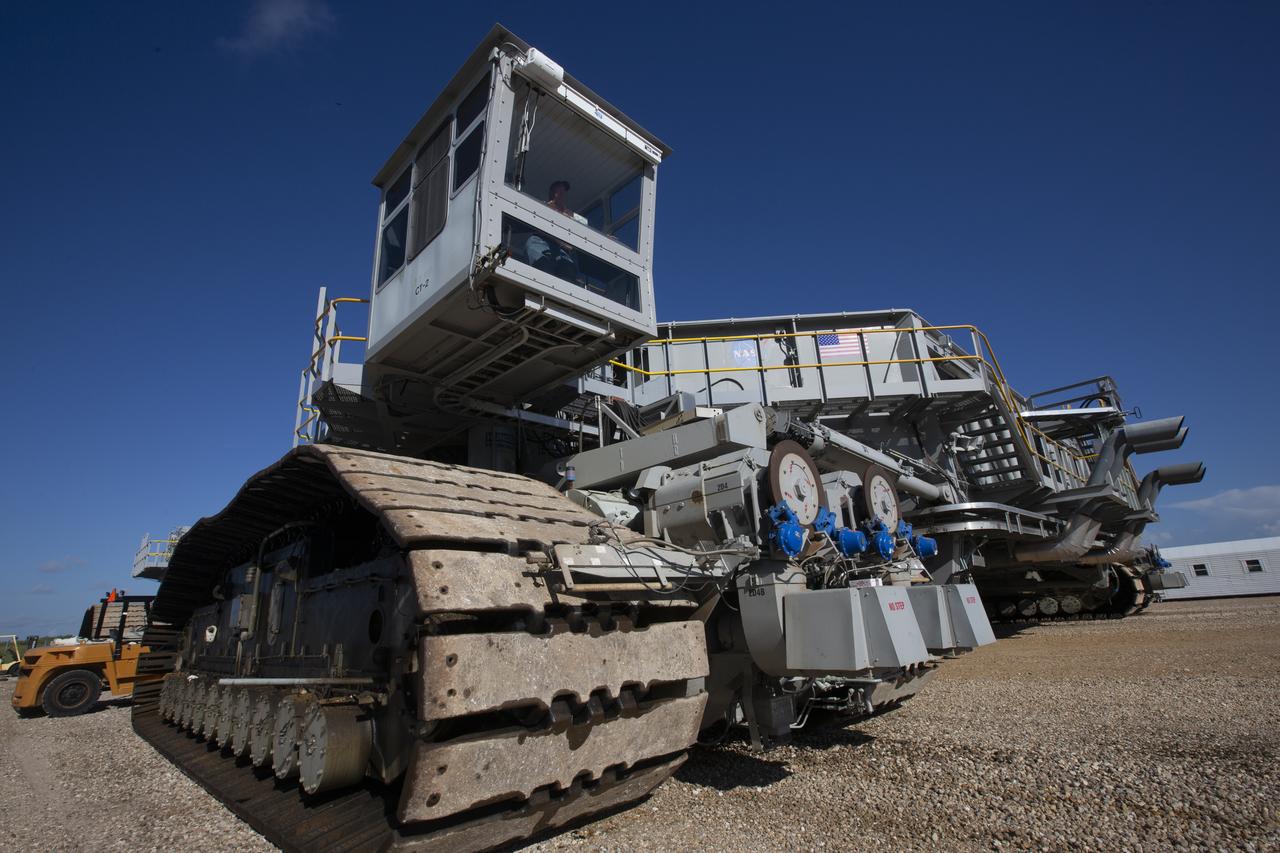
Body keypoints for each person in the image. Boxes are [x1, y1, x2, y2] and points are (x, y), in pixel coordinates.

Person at [523, 179, 579, 279]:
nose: (560, 195)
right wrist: (563, 243)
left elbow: (584, 231)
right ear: (552, 193)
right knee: (542, 263)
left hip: (561, 251)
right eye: (558, 192)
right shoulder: (543, 206)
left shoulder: (570, 214)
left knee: (568, 269)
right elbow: (541, 228)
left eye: (563, 192)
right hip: (540, 242)